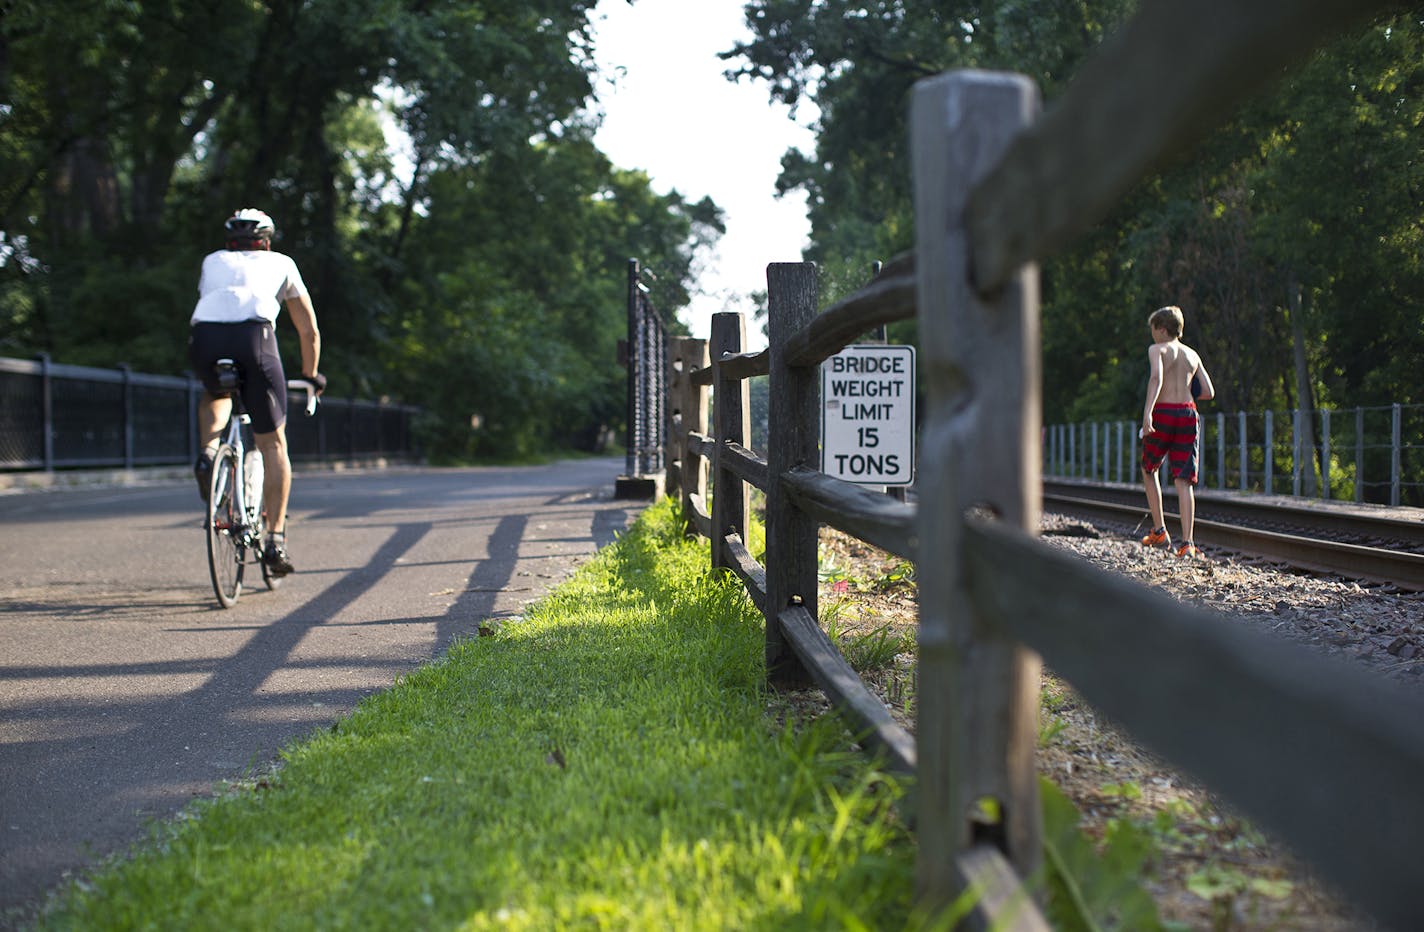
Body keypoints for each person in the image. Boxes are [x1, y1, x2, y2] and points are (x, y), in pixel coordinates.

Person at [189, 208, 325, 577]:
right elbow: (307, 329)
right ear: (266, 241)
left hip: (205, 338)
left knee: (216, 394)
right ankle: (274, 540)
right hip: (255, 340)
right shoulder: (281, 262)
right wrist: (311, 375)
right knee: (273, 445)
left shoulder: (212, 261)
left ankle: (208, 453)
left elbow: (217, 304)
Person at [1139, 304, 1214, 559]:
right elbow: (1208, 392)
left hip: (1163, 413)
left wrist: (1148, 413)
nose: (1152, 335)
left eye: (1153, 330)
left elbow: (1156, 379)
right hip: (1188, 414)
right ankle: (1188, 544)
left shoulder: (1157, 349)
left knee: (1150, 468)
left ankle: (1160, 530)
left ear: (1161, 329)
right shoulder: (1192, 355)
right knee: (1184, 479)